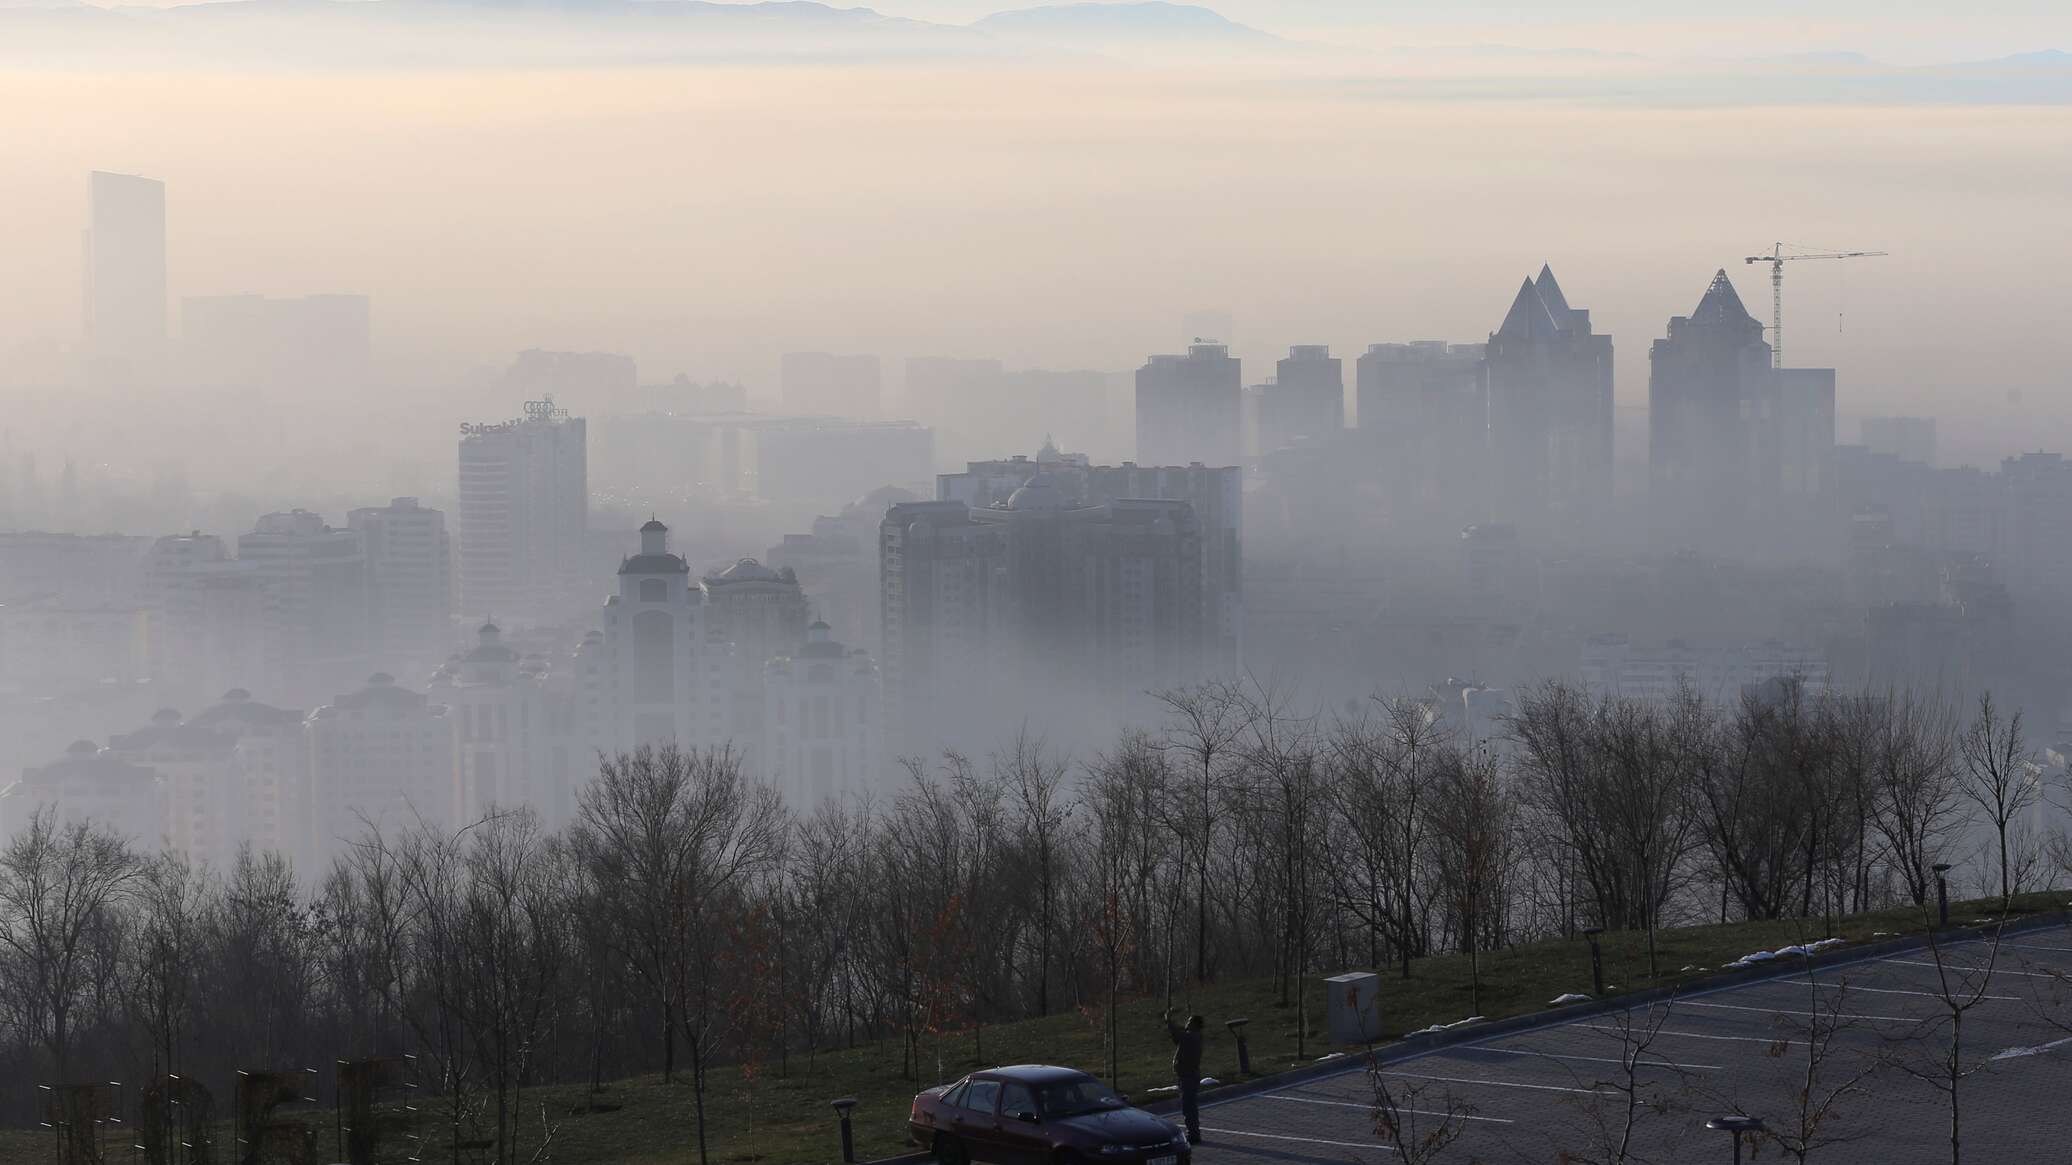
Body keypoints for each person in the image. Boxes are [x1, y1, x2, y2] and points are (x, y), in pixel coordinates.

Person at [1163, 1007, 1204, 1144]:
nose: (1187, 1022)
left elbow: (1178, 1033)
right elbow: (1177, 1037)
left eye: (1189, 1021)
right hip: (1186, 1076)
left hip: (1189, 1076)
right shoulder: (1191, 1036)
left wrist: (1169, 1020)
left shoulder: (1192, 1036)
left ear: (1195, 1025)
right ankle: (1193, 1133)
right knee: (1189, 1106)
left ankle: (1193, 1135)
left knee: (1189, 1107)